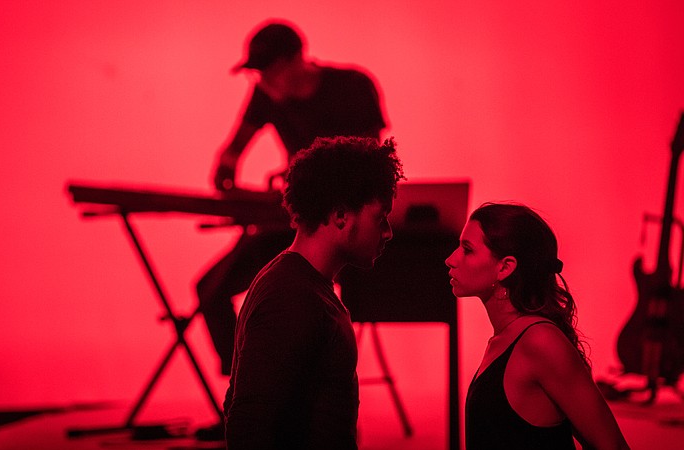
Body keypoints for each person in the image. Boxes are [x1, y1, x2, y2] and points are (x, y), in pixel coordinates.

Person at [197, 18, 387, 378]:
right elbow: (233, 150)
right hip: (296, 222)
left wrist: (311, 178)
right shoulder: (266, 95)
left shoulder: (352, 86)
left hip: (346, 227)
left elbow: (373, 163)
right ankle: (247, 388)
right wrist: (225, 169)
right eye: (259, 75)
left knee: (306, 304)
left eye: (272, 71)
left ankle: (316, 395)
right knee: (211, 291)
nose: (265, 82)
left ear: (298, 59)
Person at [223, 136, 404, 449]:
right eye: (380, 217)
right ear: (340, 216)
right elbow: (249, 428)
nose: (388, 232)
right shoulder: (291, 298)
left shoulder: (300, 286)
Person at [445, 202, 630, 449]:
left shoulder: (539, 340)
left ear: (505, 267)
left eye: (467, 249)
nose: (450, 259)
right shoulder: (505, 338)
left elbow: (611, 445)